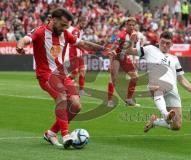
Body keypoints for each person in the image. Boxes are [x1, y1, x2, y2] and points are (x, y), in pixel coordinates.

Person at [16, 8, 112, 149]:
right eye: (62, 25)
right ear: (53, 19)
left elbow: (83, 44)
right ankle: (66, 135)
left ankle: (51, 133)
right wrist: (19, 46)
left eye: (66, 26)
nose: (64, 28)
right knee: (61, 96)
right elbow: (25, 39)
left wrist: (104, 49)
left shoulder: (65, 34)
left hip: (62, 75)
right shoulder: (40, 31)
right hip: (46, 75)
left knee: (76, 105)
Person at [127, 31, 191, 132]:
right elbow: (129, 51)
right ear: (159, 40)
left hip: (172, 90)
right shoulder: (149, 49)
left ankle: (155, 121)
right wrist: (131, 42)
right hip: (156, 85)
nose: (164, 45)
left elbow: (182, 80)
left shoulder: (174, 59)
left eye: (167, 43)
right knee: (157, 85)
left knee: (176, 126)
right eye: (162, 42)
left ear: (171, 44)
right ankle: (165, 114)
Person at [107, 17, 141, 107]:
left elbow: (131, 48)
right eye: (129, 25)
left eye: (133, 25)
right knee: (113, 78)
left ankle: (129, 100)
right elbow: (113, 48)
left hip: (125, 57)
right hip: (116, 57)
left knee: (135, 77)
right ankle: (109, 101)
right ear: (126, 25)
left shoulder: (134, 35)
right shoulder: (121, 35)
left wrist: (134, 59)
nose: (131, 26)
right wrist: (110, 63)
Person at [65, 16, 88, 96]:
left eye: (85, 22)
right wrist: (84, 49)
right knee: (74, 74)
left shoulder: (81, 30)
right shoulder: (76, 31)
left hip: (80, 54)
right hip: (74, 54)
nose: (85, 24)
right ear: (80, 22)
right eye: (84, 22)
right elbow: (74, 43)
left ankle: (81, 91)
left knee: (82, 72)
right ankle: (63, 82)